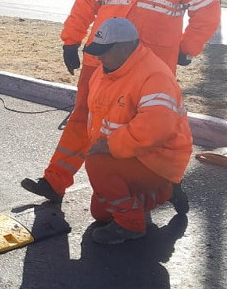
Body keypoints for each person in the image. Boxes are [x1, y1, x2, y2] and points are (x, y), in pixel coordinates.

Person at [21, 0, 220, 207]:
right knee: (82, 120)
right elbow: (85, 2)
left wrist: (187, 47)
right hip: (101, 63)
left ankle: (166, 184)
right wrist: (71, 40)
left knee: (153, 132)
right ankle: (54, 181)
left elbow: (207, 12)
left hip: (151, 70)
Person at [77, 18, 192, 244]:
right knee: (99, 213)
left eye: (104, 51)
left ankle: (132, 225)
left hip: (159, 157)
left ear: (124, 47)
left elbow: (154, 130)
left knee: (97, 163)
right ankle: (165, 191)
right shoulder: (105, 71)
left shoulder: (155, 76)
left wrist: (107, 146)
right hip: (131, 153)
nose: (99, 57)